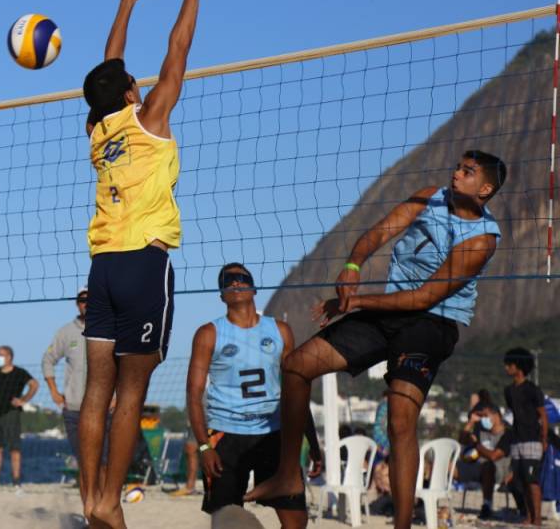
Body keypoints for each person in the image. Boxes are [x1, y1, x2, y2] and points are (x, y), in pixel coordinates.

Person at [246, 150, 506, 529]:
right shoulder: (429, 196)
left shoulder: (482, 240)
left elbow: (424, 298)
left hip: (433, 322)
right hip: (388, 311)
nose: (455, 174)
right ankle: (288, 474)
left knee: (401, 420)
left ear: (484, 189)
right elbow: (380, 232)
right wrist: (353, 266)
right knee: (296, 366)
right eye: (456, 166)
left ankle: (402, 524)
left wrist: (353, 301)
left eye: (466, 172)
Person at [78, 0, 221, 529]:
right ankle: (109, 504)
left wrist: (126, 3)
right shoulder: (148, 118)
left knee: (96, 392)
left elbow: (108, 67)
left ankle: (89, 499)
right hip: (144, 263)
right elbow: (178, 53)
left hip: (103, 267)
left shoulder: (96, 131)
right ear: (133, 93)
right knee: (131, 393)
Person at [187, 263, 323, 529]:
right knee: (226, 520)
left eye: (241, 278)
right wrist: (204, 446)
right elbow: (193, 393)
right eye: (227, 281)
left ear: (253, 287)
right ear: (221, 294)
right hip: (226, 436)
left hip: (273, 432)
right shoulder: (209, 333)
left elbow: (295, 392)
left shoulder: (280, 330)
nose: (235, 283)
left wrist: (314, 446)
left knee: (296, 521)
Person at [42, 287, 108, 505]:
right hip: (75, 409)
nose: (86, 303)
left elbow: (124, 364)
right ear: (77, 304)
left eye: (91, 299)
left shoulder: (110, 327)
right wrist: (53, 391)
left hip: (103, 408)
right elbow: (48, 359)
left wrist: (117, 395)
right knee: (85, 464)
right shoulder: (66, 332)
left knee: (104, 463)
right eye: (82, 300)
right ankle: (89, 512)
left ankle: (103, 509)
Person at [503, 347, 548, 525]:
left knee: (532, 480)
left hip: (532, 440)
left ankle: (537, 519)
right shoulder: (509, 391)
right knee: (520, 481)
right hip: (517, 439)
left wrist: (544, 439)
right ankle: (528, 516)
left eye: (510, 364)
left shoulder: (532, 389)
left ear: (519, 366)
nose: (506, 367)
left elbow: (542, 415)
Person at [0, 345, 39, 487]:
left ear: (9, 357)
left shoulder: (19, 373)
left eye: (1, 355)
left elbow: (34, 384)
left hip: (11, 413)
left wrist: (23, 400)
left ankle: (16, 479)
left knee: (14, 447)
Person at [457, 400, 513, 519]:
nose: (482, 419)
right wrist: (471, 422)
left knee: (488, 466)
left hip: (499, 471)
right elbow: (462, 440)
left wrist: (477, 445)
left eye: (484, 416)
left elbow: (494, 456)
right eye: (480, 416)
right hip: (476, 468)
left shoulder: (507, 434)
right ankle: (425, 499)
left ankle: (487, 505)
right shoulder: (480, 431)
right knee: (450, 467)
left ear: (496, 415)